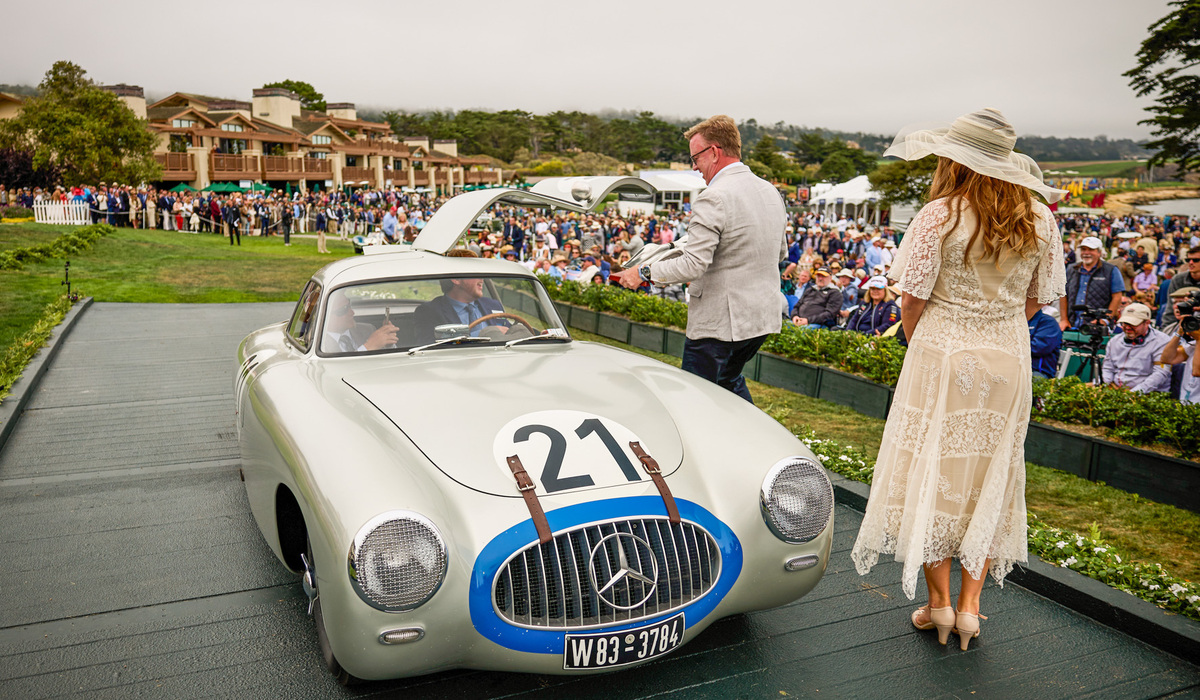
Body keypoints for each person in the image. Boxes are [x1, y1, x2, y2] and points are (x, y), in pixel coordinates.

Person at [850, 109, 1067, 650]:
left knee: (932, 471)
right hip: (1008, 360)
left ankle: (939, 605)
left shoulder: (940, 215)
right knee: (990, 475)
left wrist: (928, 341)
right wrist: (996, 327)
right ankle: (971, 608)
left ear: (956, 160)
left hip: (942, 354)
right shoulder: (1041, 219)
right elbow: (1039, 301)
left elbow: (912, 300)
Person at [612, 114, 785, 403]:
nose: (694, 167)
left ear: (714, 152)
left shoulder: (714, 196)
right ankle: (752, 439)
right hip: (761, 318)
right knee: (729, 382)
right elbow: (780, 253)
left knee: (695, 400)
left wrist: (641, 273)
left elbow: (694, 264)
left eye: (695, 158)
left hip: (720, 324)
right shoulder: (770, 191)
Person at [413, 276, 510, 344]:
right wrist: (481, 334)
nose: (482, 279)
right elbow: (427, 345)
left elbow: (509, 331)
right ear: (456, 279)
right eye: (475, 274)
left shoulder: (493, 305)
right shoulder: (429, 311)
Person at [1101, 302, 1172, 393]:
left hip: (1148, 394)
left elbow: (1160, 374)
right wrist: (1106, 386)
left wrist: (1134, 393)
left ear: (1147, 323)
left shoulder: (1162, 341)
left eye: (1133, 324)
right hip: (1116, 391)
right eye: (1125, 323)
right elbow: (1107, 368)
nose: (1127, 327)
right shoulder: (1114, 341)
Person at [1060, 236, 1123, 330]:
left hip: (1098, 326)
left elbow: (1117, 297)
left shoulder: (1111, 270)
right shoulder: (1071, 269)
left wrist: (1105, 320)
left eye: (1091, 250)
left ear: (1099, 252)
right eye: (1084, 250)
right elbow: (1063, 295)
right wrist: (1064, 319)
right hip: (1072, 323)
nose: (1086, 253)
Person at [321, 289, 398, 354]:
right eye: (343, 310)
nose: (352, 312)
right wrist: (368, 347)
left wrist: (388, 344)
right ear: (324, 315)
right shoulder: (319, 344)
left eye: (349, 306)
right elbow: (336, 369)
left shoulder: (368, 329)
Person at [1161, 322, 1200, 405]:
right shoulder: (1193, 346)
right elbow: (1166, 359)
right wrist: (1179, 333)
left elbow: (1197, 371)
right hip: (1185, 405)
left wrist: (1199, 339)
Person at [1161, 246, 1200, 328]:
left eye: (1196, 260)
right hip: (1181, 326)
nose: (1191, 263)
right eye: (1188, 260)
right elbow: (1170, 309)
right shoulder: (1178, 279)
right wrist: (1166, 330)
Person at [1028, 306, 1062, 379]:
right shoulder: (1014, 321)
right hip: (1014, 368)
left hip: (1038, 372)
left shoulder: (1048, 322)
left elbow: (1037, 348)